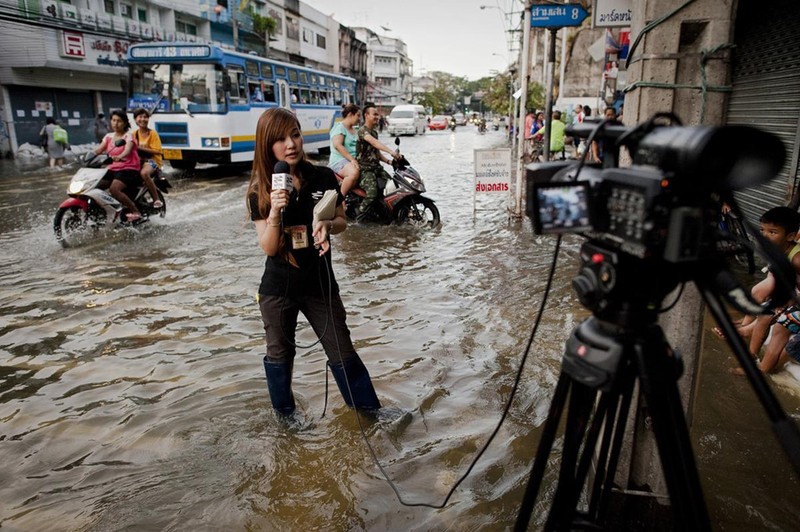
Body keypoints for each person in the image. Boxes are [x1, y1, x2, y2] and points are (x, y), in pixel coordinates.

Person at [246, 107, 381, 416]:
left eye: (295, 134)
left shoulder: (322, 176)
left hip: (320, 282)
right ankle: (286, 419)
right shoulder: (260, 190)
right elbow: (268, 247)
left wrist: (326, 226)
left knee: (342, 350)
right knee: (279, 355)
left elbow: (342, 220)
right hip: (277, 288)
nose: (290, 144)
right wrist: (275, 212)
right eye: (280, 139)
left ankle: (370, 414)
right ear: (267, 146)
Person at [729, 207, 800, 375]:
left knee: (781, 327)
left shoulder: (797, 259)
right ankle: (750, 357)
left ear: (790, 236)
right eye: (762, 230)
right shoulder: (777, 252)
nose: (764, 236)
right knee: (764, 313)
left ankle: (763, 370)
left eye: (772, 232)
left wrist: (787, 303)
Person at [93, 109, 143, 222]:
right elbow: (98, 150)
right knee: (94, 187)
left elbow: (128, 149)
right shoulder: (108, 136)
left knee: (114, 189)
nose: (115, 123)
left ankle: (135, 211)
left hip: (129, 169)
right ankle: (102, 211)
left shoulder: (128, 137)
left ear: (125, 123)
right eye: (113, 120)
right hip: (113, 169)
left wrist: (120, 156)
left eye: (119, 121)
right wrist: (87, 157)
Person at [355, 102, 400, 218]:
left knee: (394, 187)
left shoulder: (374, 132)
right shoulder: (362, 131)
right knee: (372, 193)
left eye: (377, 115)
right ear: (366, 115)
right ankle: (359, 215)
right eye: (374, 114)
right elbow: (374, 143)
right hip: (365, 170)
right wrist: (391, 152)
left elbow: (377, 152)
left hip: (377, 168)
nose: (377, 117)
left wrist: (390, 162)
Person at [132, 108, 164, 209]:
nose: (143, 119)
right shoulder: (134, 134)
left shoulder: (152, 133)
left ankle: (156, 199)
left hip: (152, 162)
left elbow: (158, 151)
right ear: (135, 120)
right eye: (140, 117)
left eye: (145, 117)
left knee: (144, 173)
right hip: (138, 161)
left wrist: (139, 148)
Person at [328, 104, 361, 196]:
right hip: (339, 161)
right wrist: (352, 159)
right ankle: (340, 199)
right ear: (350, 114)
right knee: (354, 173)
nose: (359, 119)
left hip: (352, 161)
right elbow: (337, 145)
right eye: (358, 115)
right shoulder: (339, 128)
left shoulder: (356, 130)